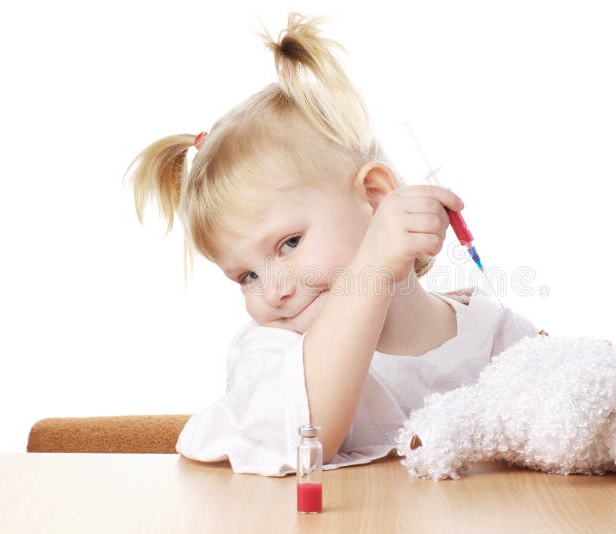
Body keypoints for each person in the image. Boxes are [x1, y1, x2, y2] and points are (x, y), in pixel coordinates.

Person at [124, 12, 539, 476]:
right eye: (247, 276)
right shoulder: (273, 353)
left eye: (289, 243)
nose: (272, 291)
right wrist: (372, 267)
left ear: (376, 198)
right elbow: (314, 432)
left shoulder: (494, 334)